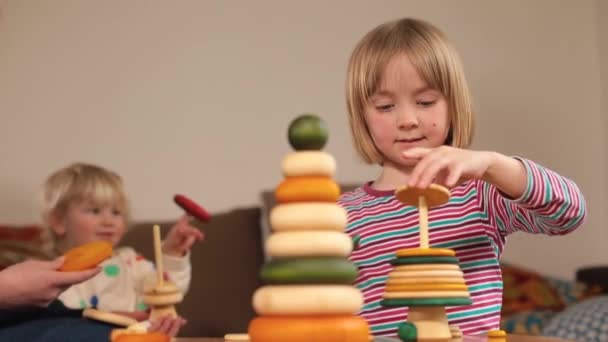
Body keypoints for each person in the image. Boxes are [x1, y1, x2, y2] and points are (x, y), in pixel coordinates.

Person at [340, 17, 587, 337]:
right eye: (385, 106)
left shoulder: (481, 194)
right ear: (363, 117)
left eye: (425, 102)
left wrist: (493, 166)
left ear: (453, 106)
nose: (408, 120)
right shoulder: (342, 215)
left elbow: (568, 213)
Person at [41, 163, 202, 323]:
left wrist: (172, 252)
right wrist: (109, 321)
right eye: (95, 210)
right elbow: (60, 322)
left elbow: (166, 291)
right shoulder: (55, 275)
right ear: (59, 221)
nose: (109, 221)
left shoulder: (131, 262)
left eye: (116, 212)